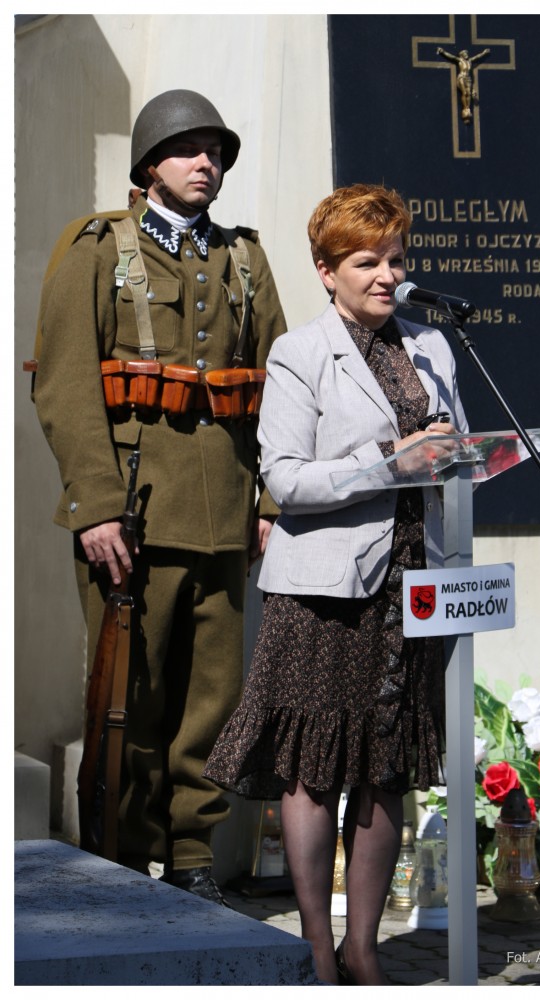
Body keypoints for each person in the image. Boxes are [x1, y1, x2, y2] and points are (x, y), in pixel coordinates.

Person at [204, 183, 468, 982]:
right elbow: (286, 478)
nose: (387, 275)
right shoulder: (300, 353)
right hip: (325, 592)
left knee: (387, 769)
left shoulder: (434, 345)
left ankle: (364, 949)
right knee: (315, 769)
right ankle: (317, 948)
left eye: (396, 259)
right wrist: (389, 462)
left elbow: (456, 449)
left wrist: (456, 453)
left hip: (415, 584)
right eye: (366, 262)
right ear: (326, 271)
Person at [33, 89, 286, 903]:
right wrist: (97, 505)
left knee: (213, 697)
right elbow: (65, 385)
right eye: (187, 149)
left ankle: (191, 853)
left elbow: (280, 389)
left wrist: (272, 503)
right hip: (132, 513)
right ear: (150, 165)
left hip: (225, 514)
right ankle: (124, 854)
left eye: (215, 151)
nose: (205, 162)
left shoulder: (244, 261)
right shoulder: (98, 249)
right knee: (130, 697)